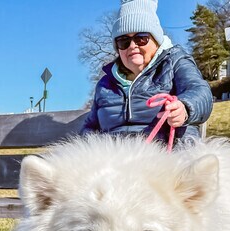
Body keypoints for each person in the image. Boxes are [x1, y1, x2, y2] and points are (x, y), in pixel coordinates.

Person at [81, 0, 213, 144]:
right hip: (114, 160)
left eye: (141, 38)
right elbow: (90, 127)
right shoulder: (105, 84)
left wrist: (185, 107)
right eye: (123, 41)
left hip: (168, 154)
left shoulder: (174, 62)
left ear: (156, 40)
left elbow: (200, 91)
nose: (132, 46)